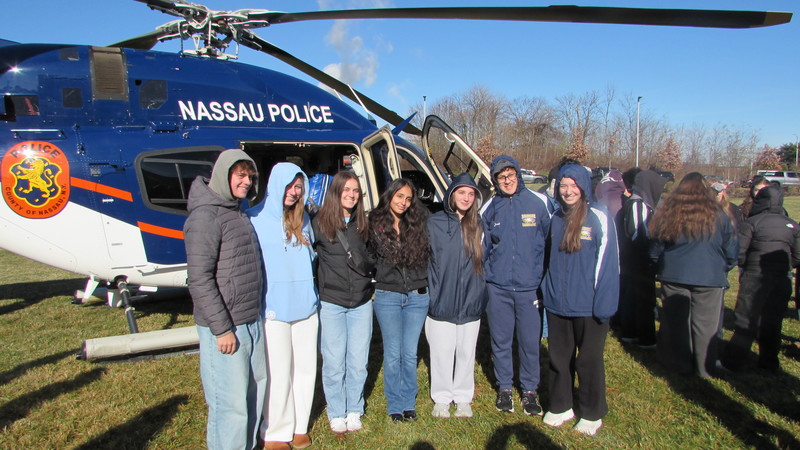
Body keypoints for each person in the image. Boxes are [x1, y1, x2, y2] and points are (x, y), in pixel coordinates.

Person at [184, 149, 267, 450]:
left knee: (254, 392)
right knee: (229, 405)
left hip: (250, 321)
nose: (247, 181)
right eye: (240, 175)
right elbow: (199, 278)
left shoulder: (235, 211)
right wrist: (221, 329)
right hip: (227, 328)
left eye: (251, 176)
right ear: (224, 175)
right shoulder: (206, 216)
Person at [541, 164, 620, 436]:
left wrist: (604, 304)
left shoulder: (599, 217)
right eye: (563, 186)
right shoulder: (555, 217)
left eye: (573, 186)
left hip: (590, 305)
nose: (568, 191)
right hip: (557, 303)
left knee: (588, 360)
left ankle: (592, 411)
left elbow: (609, 263)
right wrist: (546, 290)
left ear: (584, 187)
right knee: (559, 358)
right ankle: (561, 405)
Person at [250, 163, 318, 450]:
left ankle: (299, 425)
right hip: (274, 308)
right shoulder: (254, 219)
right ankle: (276, 430)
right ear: (276, 184)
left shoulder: (303, 221)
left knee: (305, 369)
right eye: (290, 186)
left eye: (298, 187)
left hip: (306, 306)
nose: (294, 192)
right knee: (278, 371)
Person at [648, 172, 738, 379]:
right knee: (706, 325)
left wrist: (657, 265)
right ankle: (704, 368)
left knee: (675, 322)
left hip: (675, 275)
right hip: (708, 276)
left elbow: (655, 248)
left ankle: (678, 364)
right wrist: (725, 267)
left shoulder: (669, 213)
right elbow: (731, 249)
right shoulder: (720, 214)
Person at [481, 155, 551, 416]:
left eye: (511, 175)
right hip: (498, 287)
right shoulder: (490, 206)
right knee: (500, 340)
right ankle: (505, 388)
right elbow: (482, 245)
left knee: (529, 342)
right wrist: (489, 276)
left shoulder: (539, 203)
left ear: (519, 175)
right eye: (501, 177)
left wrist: (539, 276)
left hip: (529, 288)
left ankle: (530, 390)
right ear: (495, 181)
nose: (507, 181)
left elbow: (549, 240)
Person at [312, 171, 375, 434]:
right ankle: (337, 411)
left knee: (358, 361)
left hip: (361, 303)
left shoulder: (363, 224)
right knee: (334, 360)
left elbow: (373, 258)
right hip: (333, 303)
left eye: (355, 191)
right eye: (346, 190)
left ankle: (354, 409)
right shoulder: (318, 223)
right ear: (336, 192)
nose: (351, 195)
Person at [425, 174, 488, 419]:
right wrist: (432, 289)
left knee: (465, 351)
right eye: (462, 193)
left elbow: (488, 259)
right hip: (442, 299)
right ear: (452, 195)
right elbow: (425, 258)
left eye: (471, 194)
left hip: (471, 300)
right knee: (441, 352)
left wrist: (481, 289)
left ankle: (462, 397)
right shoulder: (435, 222)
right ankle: (441, 398)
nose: (466, 198)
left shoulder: (480, 224)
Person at [369, 178, 430, 423]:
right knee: (393, 354)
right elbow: (368, 256)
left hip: (417, 296)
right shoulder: (375, 223)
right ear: (389, 196)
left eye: (408, 198)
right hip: (388, 296)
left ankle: (408, 402)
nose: (403, 202)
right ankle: (395, 404)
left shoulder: (418, 222)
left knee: (410, 353)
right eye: (399, 197)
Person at [722, 185, 800, 372]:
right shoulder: (792, 225)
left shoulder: (752, 223)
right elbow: (797, 256)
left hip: (754, 277)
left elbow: (739, 251)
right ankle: (769, 363)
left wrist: (746, 266)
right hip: (782, 279)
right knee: (773, 320)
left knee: (746, 319)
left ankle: (734, 361)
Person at [616, 170, 668, 348]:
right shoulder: (638, 205)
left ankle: (630, 332)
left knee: (633, 296)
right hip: (638, 260)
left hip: (635, 260)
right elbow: (638, 234)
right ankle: (645, 337)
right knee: (643, 299)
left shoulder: (638, 203)